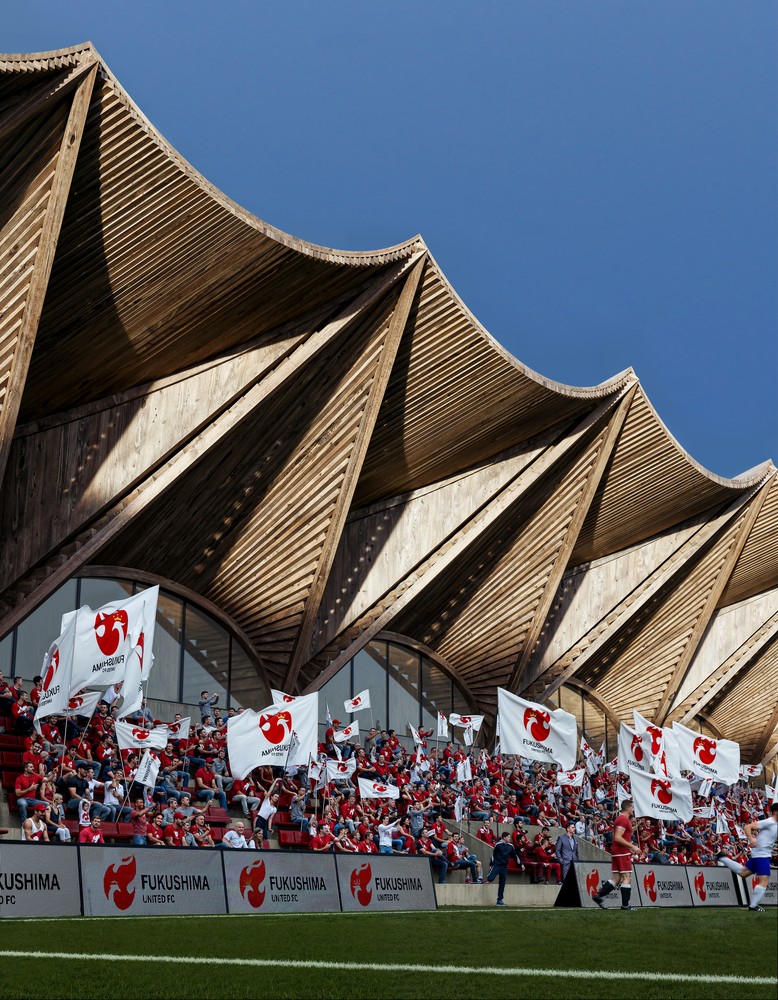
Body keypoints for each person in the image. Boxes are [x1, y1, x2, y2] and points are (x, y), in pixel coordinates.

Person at [717, 801, 778, 912]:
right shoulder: (770, 822)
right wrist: (751, 839)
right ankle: (753, 906)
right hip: (761, 854)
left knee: (743, 873)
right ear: (776, 812)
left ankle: (723, 858)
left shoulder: (775, 824)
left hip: (759, 853)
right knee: (764, 880)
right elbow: (748, 826)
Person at [593, 798, 640, 910]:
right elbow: (618, 837)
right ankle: (625, 905)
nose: (633, 810)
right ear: (628, 808)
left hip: (618, 851)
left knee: (617, 878)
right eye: (632, 807)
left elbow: (622, 834)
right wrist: (632, 846)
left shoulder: (622, 819)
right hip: (622, 852)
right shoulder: (623, 819)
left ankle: (598, 896)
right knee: (627, 877)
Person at [486, 831, 521, 905]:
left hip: (504, 867)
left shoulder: (511, 846)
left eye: (509, 837)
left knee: (502, 884)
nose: (509, 838)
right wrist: (491, 864)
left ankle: (499, 900)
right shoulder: (498, 845)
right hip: (497, 865)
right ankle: (489, 874)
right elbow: (493, 855)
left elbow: (515, 856)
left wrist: (521, 864)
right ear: (504, 838)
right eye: (508, 837)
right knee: (490, 879)